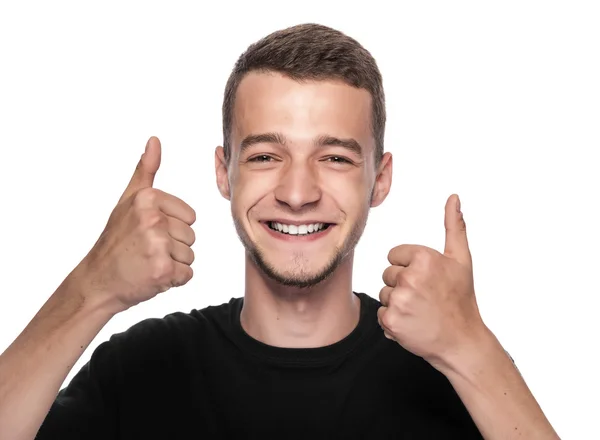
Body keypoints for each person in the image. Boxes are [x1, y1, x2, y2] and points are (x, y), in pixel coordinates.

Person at [0, 23, 558, 440]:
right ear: (225, 172)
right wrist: (90, 289)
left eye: (335, 159)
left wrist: (470, 347)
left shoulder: (456, 376)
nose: (297, 193)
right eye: (266, 155)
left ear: (380, 179)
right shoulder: (139, 370)